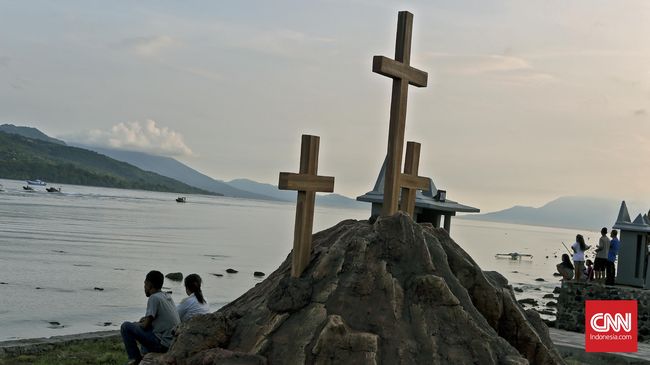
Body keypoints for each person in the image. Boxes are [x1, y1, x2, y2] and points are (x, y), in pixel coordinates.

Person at [121, 271, 180, 365]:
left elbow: (145, 326)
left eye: (145, 284)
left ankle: (134, 359)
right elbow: (158, 318)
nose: (144, 287)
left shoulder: (153, 298)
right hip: (172, 342)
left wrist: (137, 324)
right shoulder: (167, 296)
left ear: (149, 284)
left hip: (162, 344)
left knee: (126, 327)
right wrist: (144, 320)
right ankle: (144, 356)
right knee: (143, 329)